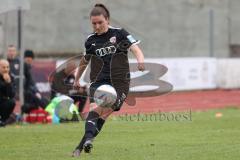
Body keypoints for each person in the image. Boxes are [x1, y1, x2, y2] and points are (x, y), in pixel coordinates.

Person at [72, 3, 145, 157]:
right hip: (99, 80)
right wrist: (77, 78)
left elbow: (135, 48)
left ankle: (81, 145)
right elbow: (85, 61)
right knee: (95, 109)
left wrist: (140, 61)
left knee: (104, 114)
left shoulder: (119, 34)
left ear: (107, 20)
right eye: (93, 23)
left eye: (100, 22)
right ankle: (87, 142)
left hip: (120, 82)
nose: (97, 26)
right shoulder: (90, 40)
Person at [0, 59, 16, 127]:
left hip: (2, 102)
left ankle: (2, 121)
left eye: (7, 67)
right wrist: (5, 83)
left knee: (12, 102)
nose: (6, 69)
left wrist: (9, 83)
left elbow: (12, 95)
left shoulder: (11, 77)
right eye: (3, 67)